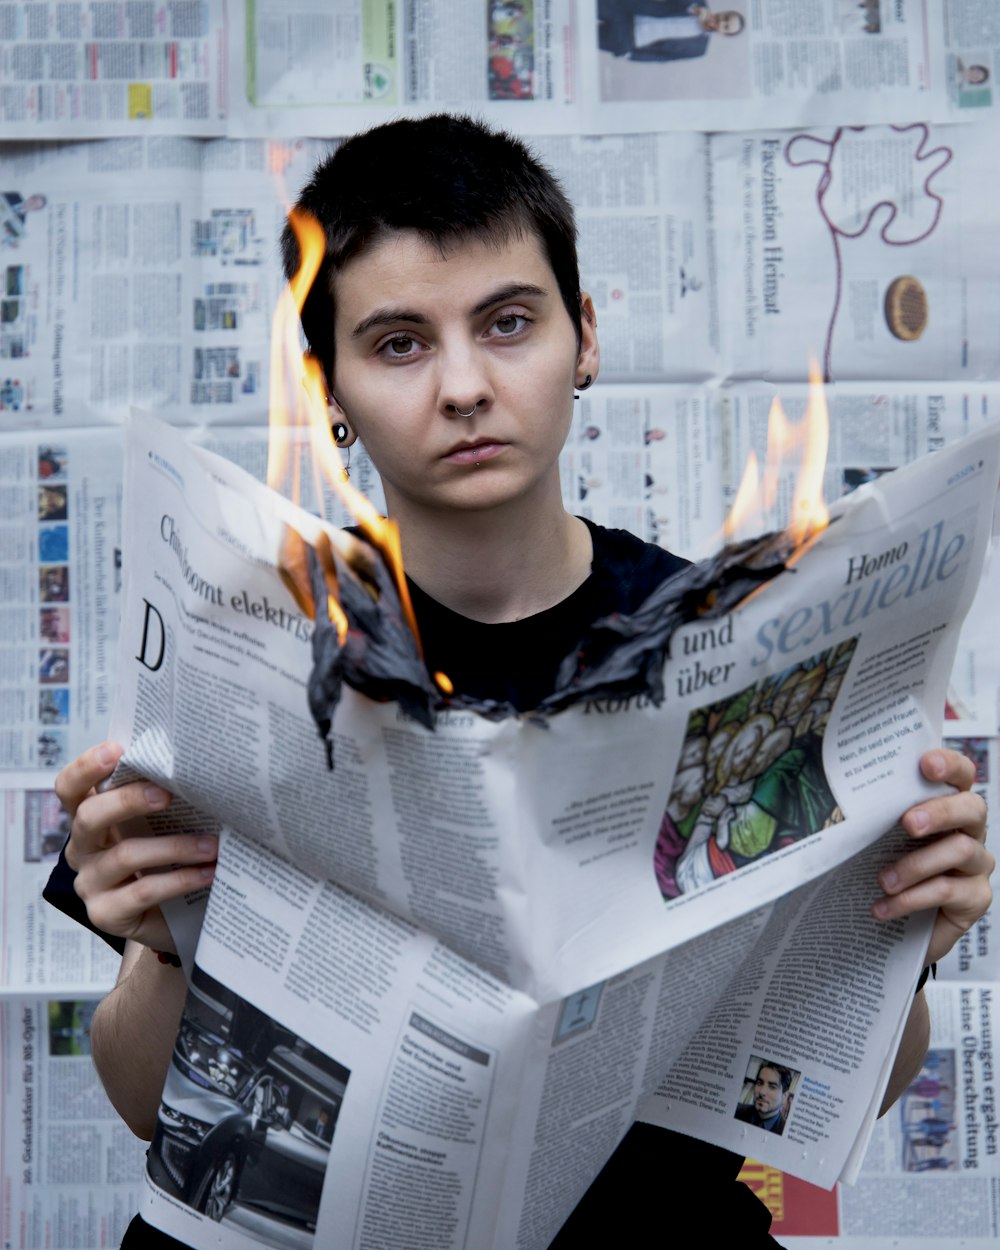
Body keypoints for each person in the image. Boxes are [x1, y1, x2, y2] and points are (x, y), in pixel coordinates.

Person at [46, 114, 992, 1249]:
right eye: (398, 342)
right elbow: (157, 1106)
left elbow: (811, 1097)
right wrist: (157, 945)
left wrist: (896, 941)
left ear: (582, 338)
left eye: (507, 324)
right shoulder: (248, 640)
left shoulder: (742, 647)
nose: (463, 386)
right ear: (326, 388)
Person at [598, 1, 745, 62]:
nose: (721, 22)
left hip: (626, 40)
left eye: (726, 26)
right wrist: (691, 8)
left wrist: (630, 54)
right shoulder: (697, 2)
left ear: (724, 34)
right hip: (626, 10)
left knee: (578, 38)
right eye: (725, 17)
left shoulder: (698, 49)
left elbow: (662, 57)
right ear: (724, 11)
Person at [735, 1062, 792, 1135]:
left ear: (785, 1096)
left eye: (772, 1087)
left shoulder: (786, 1132)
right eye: (759, 1083)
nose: (762, 1092)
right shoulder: (736, 1111)